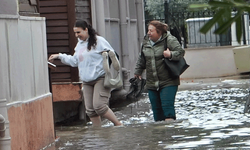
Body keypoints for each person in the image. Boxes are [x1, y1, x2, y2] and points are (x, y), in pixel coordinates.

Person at [48, 20, 122, 127]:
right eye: (75, 33)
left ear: (86, 29)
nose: (76, 35)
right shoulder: (79, 45)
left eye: (78, 32)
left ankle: (118, 124)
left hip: (100, 78)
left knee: (99, 106)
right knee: (90, 110)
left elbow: (114, 56)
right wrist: (59, 56)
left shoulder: (99, 41)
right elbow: (74, 61)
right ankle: (97, 133)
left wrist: (107, 69)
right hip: (86, 81)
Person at [134, 20, 185, 122]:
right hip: (152, 83)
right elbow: (142, 58)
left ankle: (170, 133)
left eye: (151, 31)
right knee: (157, 112)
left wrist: (170, 55)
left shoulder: (169, 40)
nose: (149, 33)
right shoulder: (146, 42)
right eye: (148, 30)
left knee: (167, 108)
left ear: (159, 32)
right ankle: (159, 135)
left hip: (168, 81)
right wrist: (138, 71)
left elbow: (180, 52)